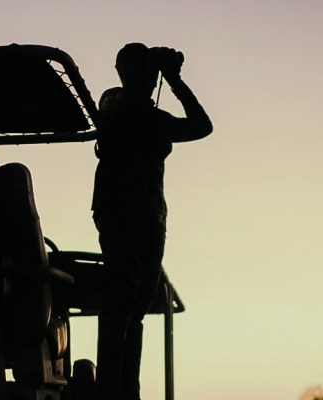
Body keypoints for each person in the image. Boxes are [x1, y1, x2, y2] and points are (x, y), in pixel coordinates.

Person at [91, 43, 213, 400]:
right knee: (120, 303)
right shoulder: (114, 105)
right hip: (120, 214)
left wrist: (173, 79)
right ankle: (110, 391)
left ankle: (127, 390)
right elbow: (115, 107)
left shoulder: (153, 117)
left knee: (136, 308)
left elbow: (202, 126)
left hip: (151, 217)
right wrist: (158, 76)